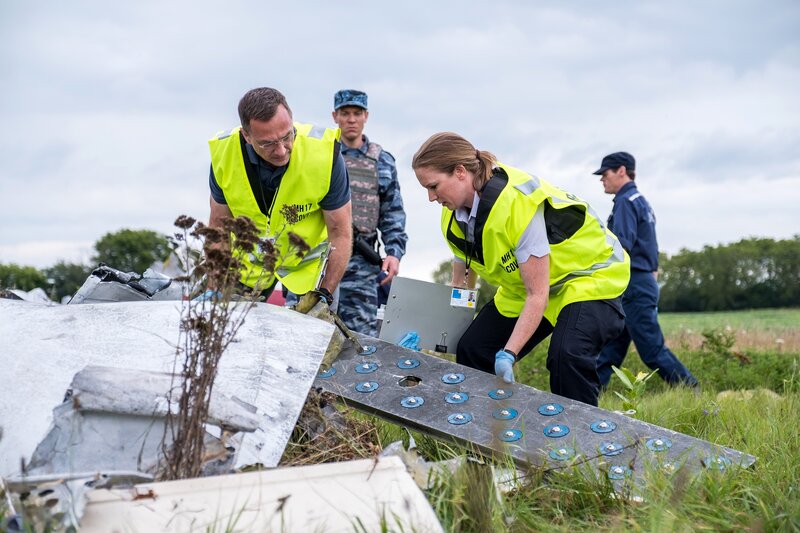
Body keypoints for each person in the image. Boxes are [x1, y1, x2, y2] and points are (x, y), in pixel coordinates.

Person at [412, 132, 630, 406]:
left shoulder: (515, 204)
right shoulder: (452, 216)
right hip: (526, 288)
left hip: (587, 277)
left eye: (434, 186)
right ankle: (485, 437)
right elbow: (462, 285)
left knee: (568, 356)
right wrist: (435, 336)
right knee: (473, 349)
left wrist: (508, 354)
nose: (431, 198)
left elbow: (537, 295)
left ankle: (581, 443)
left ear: (460, 172)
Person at [206, 87, 352, 303]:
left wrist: (325, 294)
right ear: (246, 135)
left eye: (287, 137)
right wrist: (216, 287)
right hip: (249, 267)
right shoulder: (225, 156)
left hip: (308, 267)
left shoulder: (323, 155)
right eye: (268, 143)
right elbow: (218, 228)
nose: (282, 150)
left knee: (312, 333)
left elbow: (340, 232)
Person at [593, 152, 698, 387]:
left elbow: (622, 246)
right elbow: (649, 246)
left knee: (651, 350)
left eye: (605, 174)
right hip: (641, 281)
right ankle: (586, 399)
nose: (601, 179)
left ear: (621, 171)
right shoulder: (641, 201)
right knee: (610, 350)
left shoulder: (625, 202)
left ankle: (690, 388)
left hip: (634, 284)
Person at [331, 89, 408, 336]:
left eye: (356, 113)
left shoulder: (382, 160)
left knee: (360, 338)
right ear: (335, 117)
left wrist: (393, 253)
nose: (351, 119)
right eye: (345, 113)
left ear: (366, 116)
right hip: (323, 258)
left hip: (362, 264)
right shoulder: (323, 155)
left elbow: (392, 212)